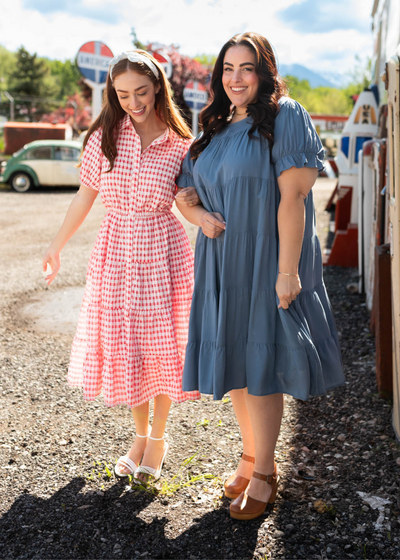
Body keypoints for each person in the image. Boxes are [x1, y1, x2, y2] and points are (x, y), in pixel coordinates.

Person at [175, 32, 344, 520]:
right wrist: (199, 215)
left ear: (264, 71)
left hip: (267, 260)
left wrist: (288, 271)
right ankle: (249, 458)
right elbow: (187, 191)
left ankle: (267, 472)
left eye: (246, 68)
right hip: (221, 262)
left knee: (262, 367)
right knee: (236, 365)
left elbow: (293, 198)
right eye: (227, 69)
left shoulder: (285, 115)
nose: (235, 78)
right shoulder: (214, 125)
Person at [42, 50, 200, 483]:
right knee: (126, 344)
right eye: (123, 93)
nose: (133, 101)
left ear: (158, 88)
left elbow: (187, 202)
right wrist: (57, 245)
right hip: (116, 250)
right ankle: (138, 435)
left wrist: (207, 219)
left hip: (163, 251)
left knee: (162, 346)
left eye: (142, 92)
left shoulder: (180, 141)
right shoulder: (105, 137)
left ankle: (159, 440)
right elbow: (84, 195)